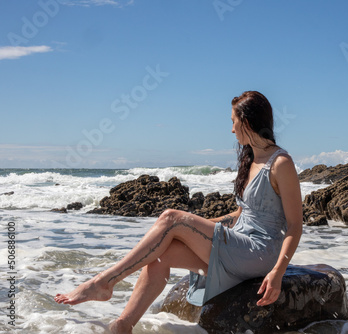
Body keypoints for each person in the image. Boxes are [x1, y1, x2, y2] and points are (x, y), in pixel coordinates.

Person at [54, 90, 303, 334]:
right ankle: (123, 326)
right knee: (161, 255)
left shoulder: (281, 163)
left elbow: (294, 226)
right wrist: (194, 228)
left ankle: (103, 282)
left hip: (260, 251)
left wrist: (277, 272)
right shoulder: (250, 158)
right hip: (240, 243)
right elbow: (240, 215)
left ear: (247, 122)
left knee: (171, 218)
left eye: (233, 122)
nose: (231, 129)